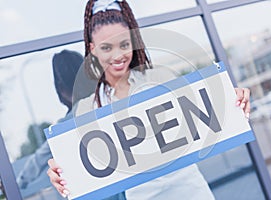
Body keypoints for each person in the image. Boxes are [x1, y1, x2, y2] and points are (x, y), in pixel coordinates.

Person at [47, 0, 251, 199]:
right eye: (106, 48)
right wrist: (62, 173)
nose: (117, 56)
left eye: (124, 44)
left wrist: (234, 102)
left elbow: (208, 115)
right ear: (92, 49)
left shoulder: (161, 79)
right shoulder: (87, 109)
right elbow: (80, 168)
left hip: (191, 191)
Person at [16, 50, 96, 192]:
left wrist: (15, 184)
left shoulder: (66, 126)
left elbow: (38, 160)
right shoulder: (109, 103)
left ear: (61, 88)